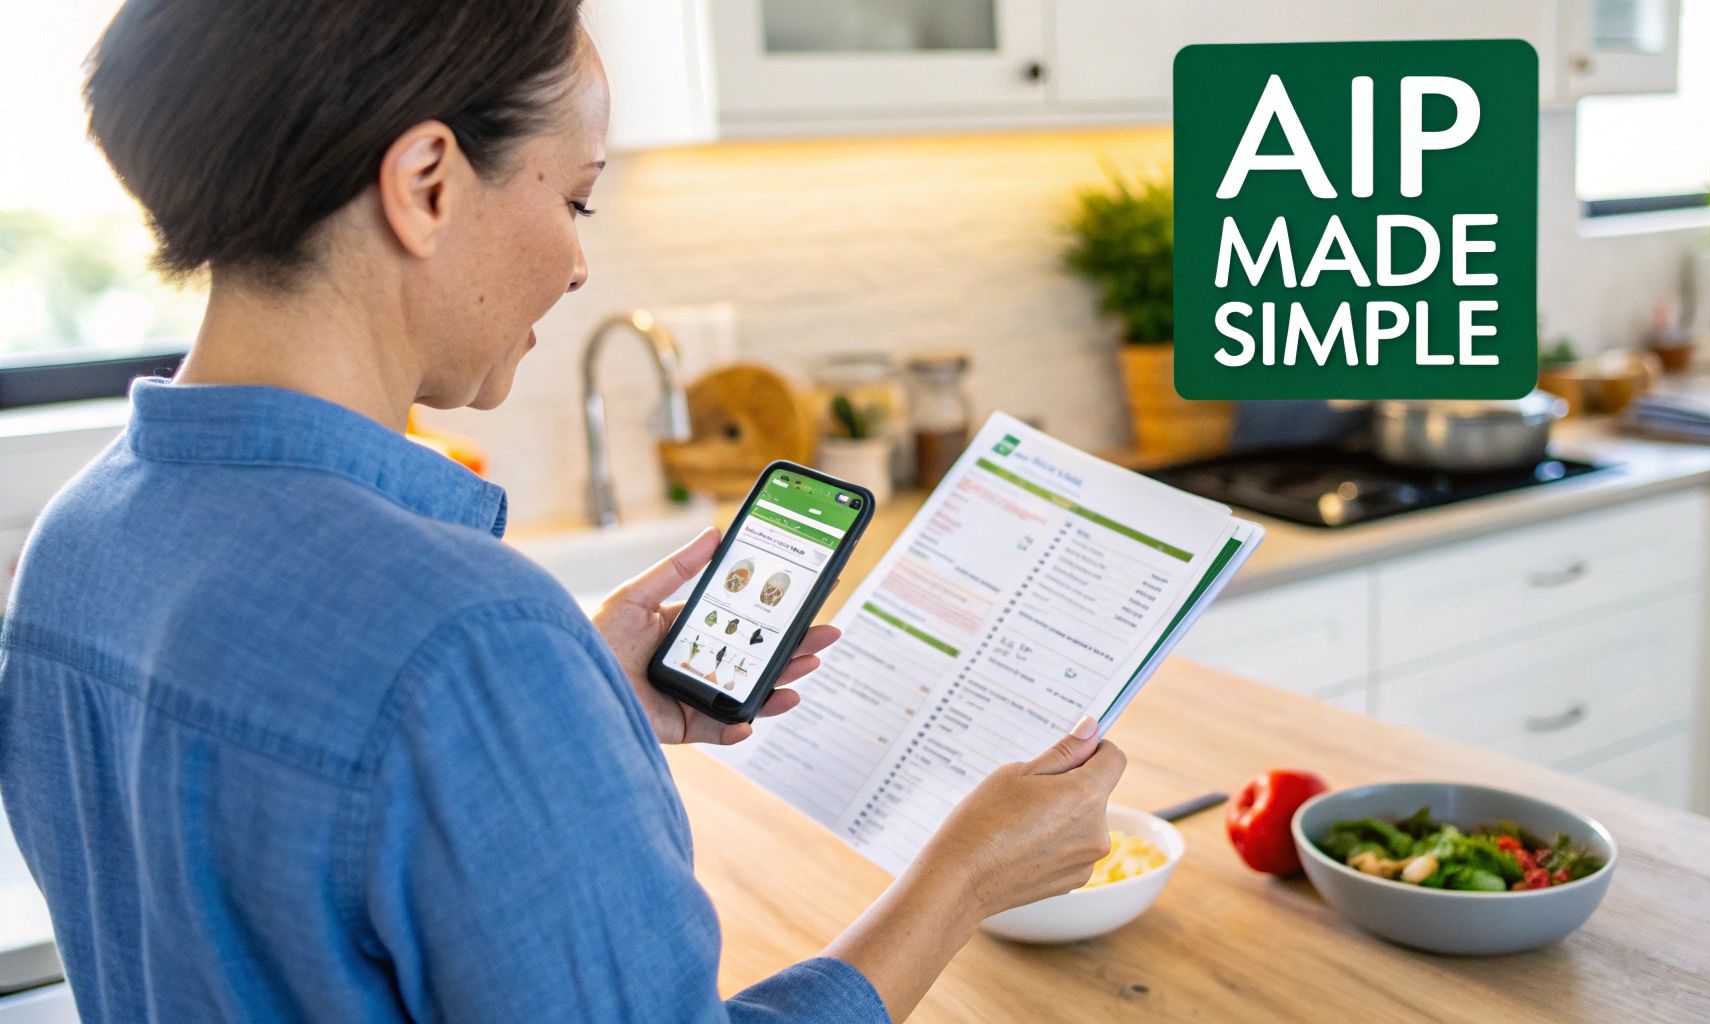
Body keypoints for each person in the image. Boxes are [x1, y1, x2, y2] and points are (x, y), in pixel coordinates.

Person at [0, 2, 1127, 1022]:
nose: (581, 263)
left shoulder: (77, 542)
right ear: (427, 180)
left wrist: (562, 723)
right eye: (577, 196)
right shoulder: (466, 640)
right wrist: (960, 877)